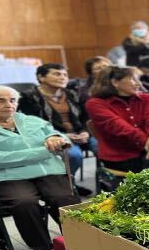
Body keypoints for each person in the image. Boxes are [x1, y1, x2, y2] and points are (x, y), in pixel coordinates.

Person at [0, 85, 79, 250]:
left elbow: (62, 138)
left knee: (63, 197)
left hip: (47, 171)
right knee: (24, 202)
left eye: (12, 100)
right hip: (4, 177)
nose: (9, 104)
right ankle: (44, 249)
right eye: (0, 100)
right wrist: (44, 151)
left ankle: (81, 241)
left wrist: (55, 137)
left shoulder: (30, 120)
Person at [18, 63, 97, 196]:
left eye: (65, 74)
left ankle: (107, 181)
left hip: (80, 133)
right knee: (73, 155)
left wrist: (85, 131)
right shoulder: (29, 97)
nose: (63, 77)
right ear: (41, 77)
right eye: (57, 74)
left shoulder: (73, 93)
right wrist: (63, 135)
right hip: (53, 136)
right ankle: (67, 185)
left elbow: (86, 116)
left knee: (103, 147)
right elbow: (35, 123)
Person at [85, 66, 149, 173]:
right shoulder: (95, 104)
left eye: (139, 79)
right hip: (120, 156)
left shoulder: (147, 98)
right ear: (115, 82)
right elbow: (119, 127)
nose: (139, 84)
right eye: (133, 79)